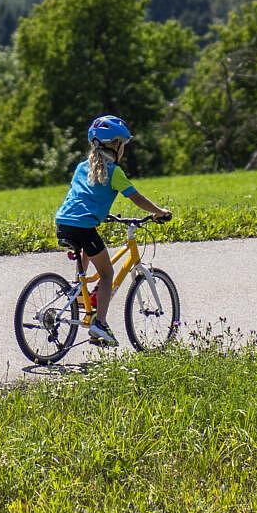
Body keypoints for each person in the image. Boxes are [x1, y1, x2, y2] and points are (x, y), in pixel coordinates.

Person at [52, 114, 173, 348]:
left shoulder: (81, 167)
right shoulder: (114, 171)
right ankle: (100, 324)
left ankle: (78, 291)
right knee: (107, 274)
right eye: (123, 144)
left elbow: (83, 196)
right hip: (83, 226)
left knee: (88, 248)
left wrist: (99, 213)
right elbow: (136, 197)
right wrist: (158, 211)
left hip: (63, 222)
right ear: (115, 145)